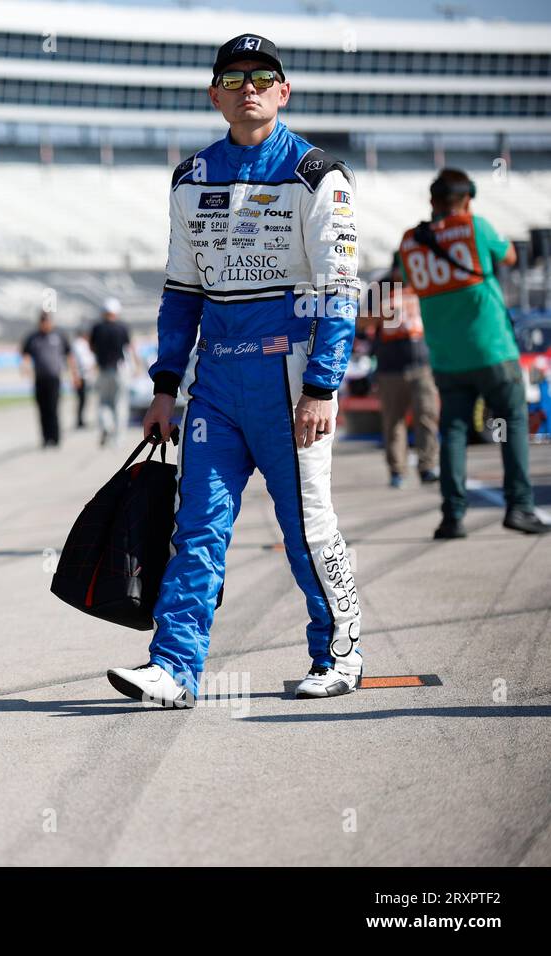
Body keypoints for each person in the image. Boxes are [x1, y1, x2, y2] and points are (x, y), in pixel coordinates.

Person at [108, 34, 363, 707]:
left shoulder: (317, 174)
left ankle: (339, 652)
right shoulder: (190, 177)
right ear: (215, 93)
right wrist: (165, 386)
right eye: (233, 76)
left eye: (262, 75)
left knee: (306, 526)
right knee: (196, 527)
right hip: (215, 384)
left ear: (284, 90)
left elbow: (339, 291)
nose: (248, 86)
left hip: (290, 379)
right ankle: (175, 667)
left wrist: (322, 386)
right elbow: (181, 292)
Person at [396, 169, 550, 538]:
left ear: (432, 201)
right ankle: (520, 507)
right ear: (467, 198)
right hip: (493, 349)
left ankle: (453, 516)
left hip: (447, 356)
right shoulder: (475, 226)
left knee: (455, 431)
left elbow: (409, 282)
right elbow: (510, 256)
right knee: (512, 422)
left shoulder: (410, 241)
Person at [367, 277, 439, 488]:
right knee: (394, 421)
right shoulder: (380, 288)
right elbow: (360, 321)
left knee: (427, 415)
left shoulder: (423, 282)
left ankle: (428, 467)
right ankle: (397, 470)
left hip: (422, 364)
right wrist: (382, 315)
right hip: (390, 368)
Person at [21, 311, 74, 448]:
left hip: (54, 378)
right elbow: (26, 355)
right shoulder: (33, 338)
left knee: (53, 408)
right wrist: (25, 367)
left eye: (47, 321)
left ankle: (55, 438)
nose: (45, 324)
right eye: (43, 322)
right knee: (42, 409)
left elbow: (69, 355)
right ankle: (45, 438)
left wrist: (74, 373)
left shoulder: (59, 336)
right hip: (39, 379)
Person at [89, 297, 132, 448]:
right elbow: (128, 348)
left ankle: (107, 425)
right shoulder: (122, 328)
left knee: (103, 402)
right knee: (120, 404)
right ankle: (118, 439)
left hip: (102, 369)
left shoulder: (97, 328)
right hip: (119, 369)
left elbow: (92, 347)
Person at [71, 327, 97, 430]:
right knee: (81, 399)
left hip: (85, 375)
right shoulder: (79, 344)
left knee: (84, 400)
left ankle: (81, 419)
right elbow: (83, 360)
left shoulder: (82, 344)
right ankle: (79, 420)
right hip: (81, 375)